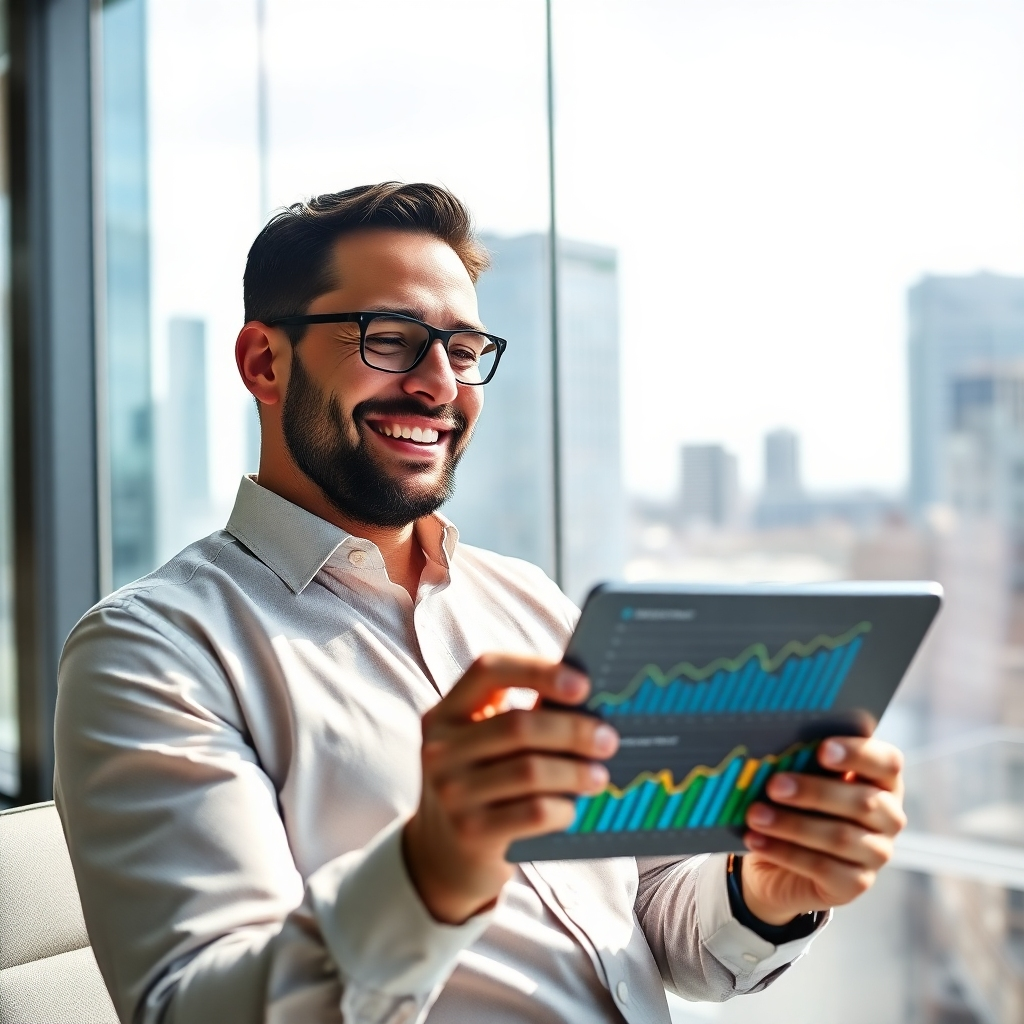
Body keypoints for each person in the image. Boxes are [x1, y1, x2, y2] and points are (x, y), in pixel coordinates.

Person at [54, 183, 907, 1024]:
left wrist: (763, 890)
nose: (439, 385)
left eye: (462, 353)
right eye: (391, 340)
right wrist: (432, 869)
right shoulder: (153, 652)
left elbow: (650, 912)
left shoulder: (527, 600)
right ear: (264, 363)